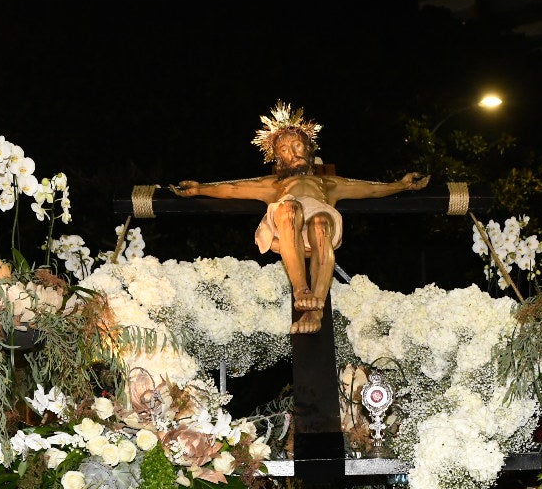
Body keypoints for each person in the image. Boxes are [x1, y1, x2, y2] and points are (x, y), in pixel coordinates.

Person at [172, 102, 429, 331]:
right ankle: (301, 289)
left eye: (297, 146)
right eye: (284, 150)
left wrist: (400, 185)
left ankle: (315, 310)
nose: (292, 153)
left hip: (319, 231)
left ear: (309, 149)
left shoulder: (327, 183)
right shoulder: (274, 185)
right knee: (289, 208)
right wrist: (199, 189)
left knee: (319, 222)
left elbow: (371, 188)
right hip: (286, 227)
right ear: (278, 158)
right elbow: (232, 188)